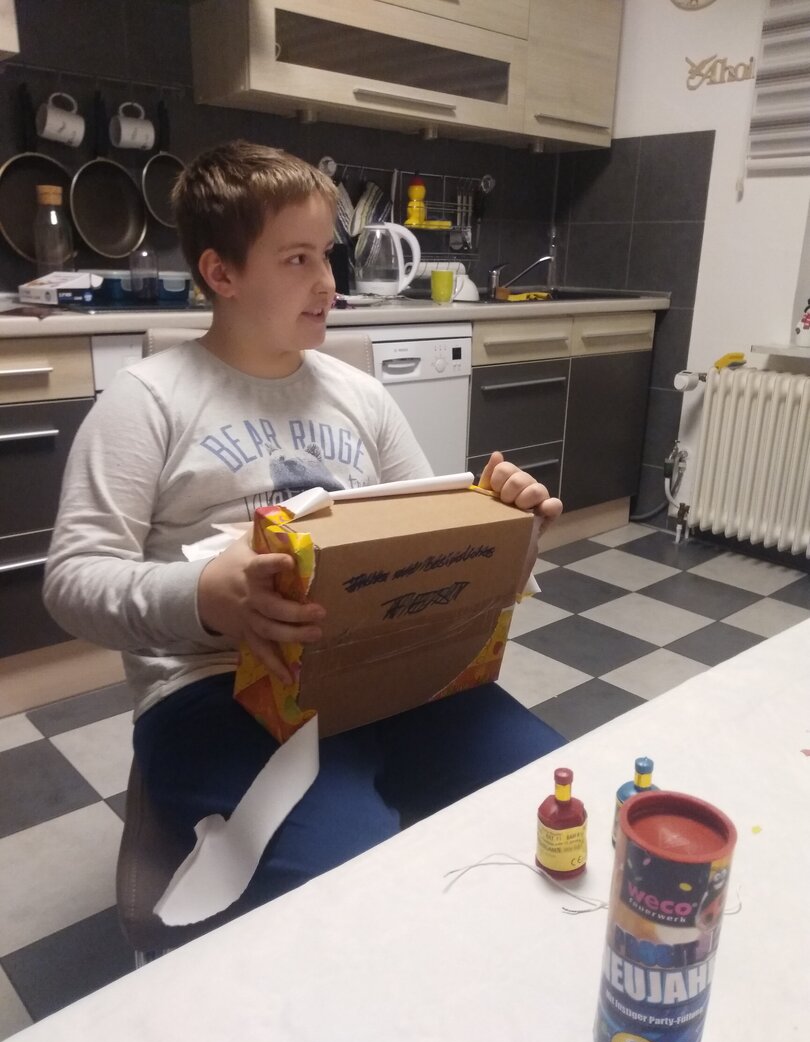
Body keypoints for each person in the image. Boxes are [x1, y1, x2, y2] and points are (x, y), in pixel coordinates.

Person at [44, 141, 564, 916]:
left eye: (326, 254)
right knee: (356, 884)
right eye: (296, 259)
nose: (327, 281)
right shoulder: (146, 401)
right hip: (214, 690)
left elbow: (429, 536)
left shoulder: (360, 396)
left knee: (549, 799)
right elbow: (72, 581)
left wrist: (502, 526)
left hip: (380, 670)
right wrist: (205, 597)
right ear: (221, 273)